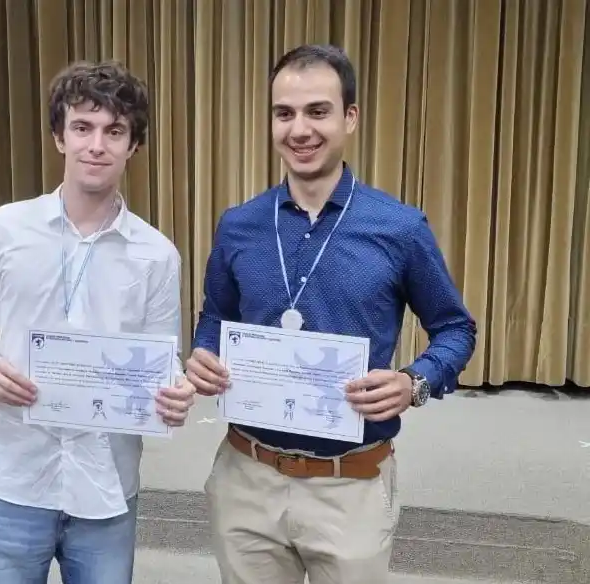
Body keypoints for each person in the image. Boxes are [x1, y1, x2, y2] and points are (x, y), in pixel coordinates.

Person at [185, 44, 477, 584]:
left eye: (317, 111)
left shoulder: (399, 227)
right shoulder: (239, 225)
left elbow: (456, 329)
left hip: (352, 486)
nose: (300, 129)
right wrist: (202, 355)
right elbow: (215, 321)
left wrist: (415, 382)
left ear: (350, 117)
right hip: (246, 479)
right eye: (284, 113)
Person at [0, 60, 196, 584]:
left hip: (105, 482)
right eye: (82, 127)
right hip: (14, 477)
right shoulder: (2, 230)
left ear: (133, 145)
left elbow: (162, 355)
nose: (97, 145)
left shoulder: (157, 254)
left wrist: (172, 391)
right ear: (59, 136)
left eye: (115, 131)